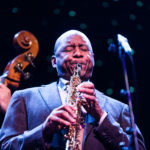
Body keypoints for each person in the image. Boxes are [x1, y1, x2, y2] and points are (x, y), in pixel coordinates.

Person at [0, 30, 146, 150]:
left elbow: (138, 148)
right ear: (54, 61)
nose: (78, 53)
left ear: (93, 59)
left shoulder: (120, 108)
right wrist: (44, 129)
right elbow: (5, 147)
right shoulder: (24, 98)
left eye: (84, 49)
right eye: (69, 49)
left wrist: (101, 116)